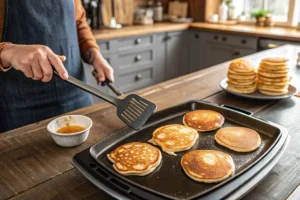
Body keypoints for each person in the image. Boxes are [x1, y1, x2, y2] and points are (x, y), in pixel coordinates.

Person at [0, 0, 114, 133]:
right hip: (17, 106)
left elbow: (78, 23)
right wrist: (7, 51)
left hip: (76, 93)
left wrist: (94, 55)